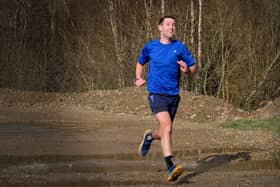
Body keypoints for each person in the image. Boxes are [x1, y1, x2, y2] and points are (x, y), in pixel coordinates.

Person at [135, 15, 197, 182]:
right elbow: (140, 62)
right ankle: (170, 165)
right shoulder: (151, 47)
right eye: (168, 24)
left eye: (174, 25)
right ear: (160, 28)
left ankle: (149, 137)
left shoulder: (180, 47)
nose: (171, 27)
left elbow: (193, 67)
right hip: (156, 93)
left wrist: (187, 70)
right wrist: (138, 77)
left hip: (173, 96)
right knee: (167, 127)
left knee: (164, 132)